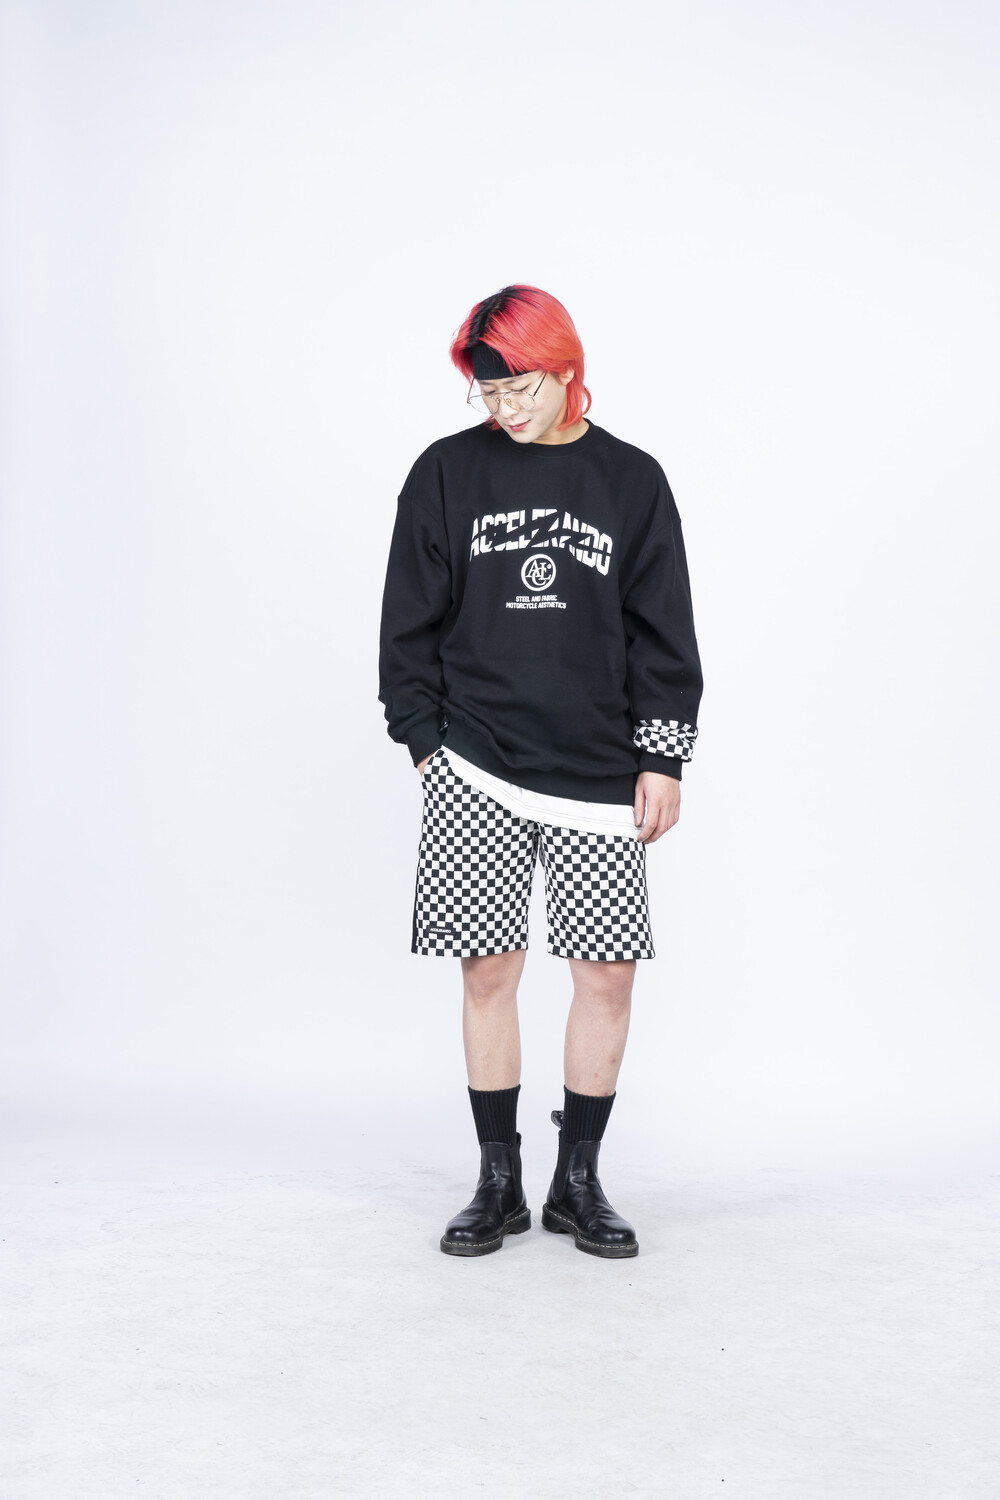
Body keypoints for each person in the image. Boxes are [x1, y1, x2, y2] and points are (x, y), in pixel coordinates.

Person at [377, 284, 703, 1260]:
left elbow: (662, 631)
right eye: (488, 394)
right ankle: (498, 1182)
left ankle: (578, 1182)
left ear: (566, 371)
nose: (504, 409)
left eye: (519, 389)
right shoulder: (445, 473)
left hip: (598, 767)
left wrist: (662, 756)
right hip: (474, 763)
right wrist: (425, 743)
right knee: (488, 970)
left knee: (606, 977)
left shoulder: (631, 482)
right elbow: (406, 624)